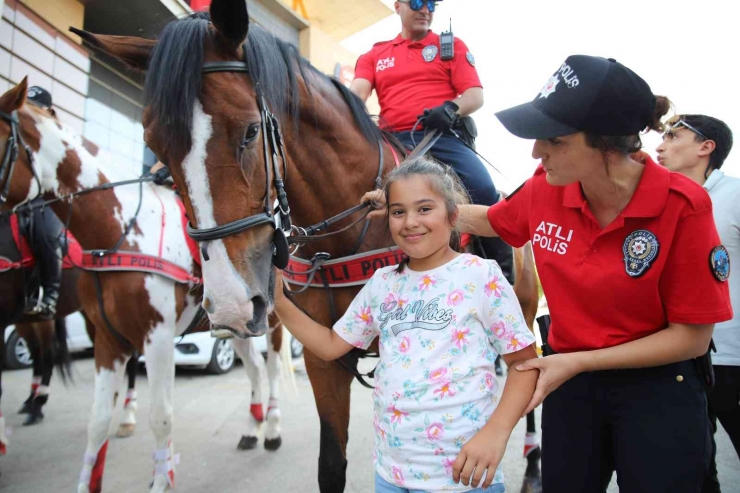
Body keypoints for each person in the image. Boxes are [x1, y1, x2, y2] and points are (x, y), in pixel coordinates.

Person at [364, 55, 733, 492]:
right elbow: (493, 220)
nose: (537, 151)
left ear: (607, 146)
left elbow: (691, 337)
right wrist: (419, 212)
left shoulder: (683, 205)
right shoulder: (545, 187)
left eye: (554, 140)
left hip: (655, 387)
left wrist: (577, 361)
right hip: (569, 385)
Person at [274, 158, 538, 493]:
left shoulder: (481, 276)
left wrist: (497, 433)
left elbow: (525, 364)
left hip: (464, 479)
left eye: (425, 209)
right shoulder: (382, 283)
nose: (410, 222)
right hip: (391, 476)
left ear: (453, 215)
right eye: (398, 212)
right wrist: (280, 301)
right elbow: (329, 345)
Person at [348, 0, 515, 285]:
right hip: (390, 141)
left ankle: (501, 274)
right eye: (416, 2)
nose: (425, 9)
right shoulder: (375, 54)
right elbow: (355, 97)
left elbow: (474, 95)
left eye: (431, 3)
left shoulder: (450, 46)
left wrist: (450, 109)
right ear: (398, 6)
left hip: (439, 136)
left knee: (485, 190)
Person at [656, 114, 738, 493]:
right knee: (694, 468)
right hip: (678, 359)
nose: (660, 145)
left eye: (674, 136)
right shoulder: (659, 201)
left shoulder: (734, 196)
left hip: (733, 358)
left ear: (707, 147)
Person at [22, 86, 63, 318]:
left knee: (44, 233)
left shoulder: (58, 136)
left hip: (48, 199)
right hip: (20, 198)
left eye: (36, 109)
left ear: (49, 110)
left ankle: (50, 295)